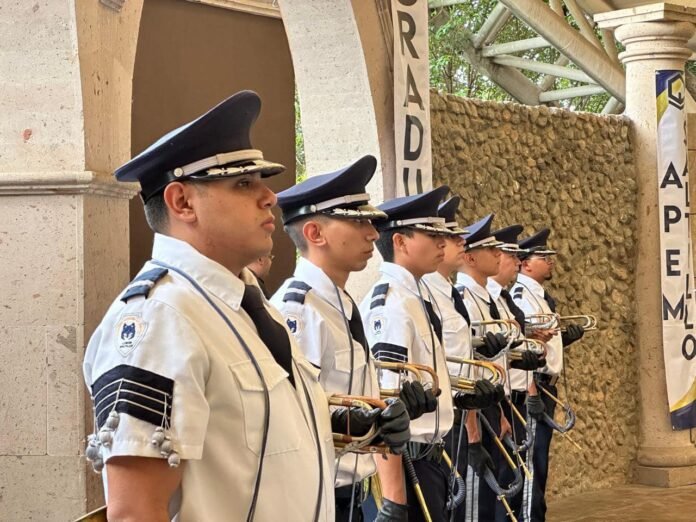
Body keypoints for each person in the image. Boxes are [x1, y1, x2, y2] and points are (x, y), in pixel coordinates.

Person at [83, 91, 360, 521]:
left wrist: (350, 423)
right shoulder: (160, 317)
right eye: (243, 184)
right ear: (182, 202)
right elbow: (136, 511)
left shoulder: (248, 306)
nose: (270, 197)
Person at [270, 155, 414, 521]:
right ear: (314, 234)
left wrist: (392, 410)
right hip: (319, 497)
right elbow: (292, 419)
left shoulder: (339, 302)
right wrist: (356, 422)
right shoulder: (299, 310)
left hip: (352, 492)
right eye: (357, 221)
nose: (373, 234)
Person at [360, 186, 456, 522]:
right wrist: (394, 500)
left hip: (429, 458)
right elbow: (385, 405)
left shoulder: (415, 295)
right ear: (400, 242)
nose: (442, 242)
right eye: (431, 234)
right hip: (408, 465)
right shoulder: (391, 304)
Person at [421, 196, 507, 519]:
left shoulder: (447, 294)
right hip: (448, 419)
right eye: (449, 236)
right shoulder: (426, 295)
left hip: (467, 410)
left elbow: (460, 352)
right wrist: (471, 428)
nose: (460, 242)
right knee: (463, 508)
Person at [511, 228, 584, 522]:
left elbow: (542, 343)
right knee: (532, 460)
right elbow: (523, 349)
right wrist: (531, 392)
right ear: (525, 264)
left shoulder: (538, 296)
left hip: (545, 385)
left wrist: (564, 339)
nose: (550, 261)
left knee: (540, 459)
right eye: (543, 256)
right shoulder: (522, 296)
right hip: (535, 386)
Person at [488, 225, 545, 522]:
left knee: (520, 473)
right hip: (497, 402)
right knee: (501, 484)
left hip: (514, 395)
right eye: (510, 255)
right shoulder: (480, 299)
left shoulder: (502, 299)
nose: (515, 261)